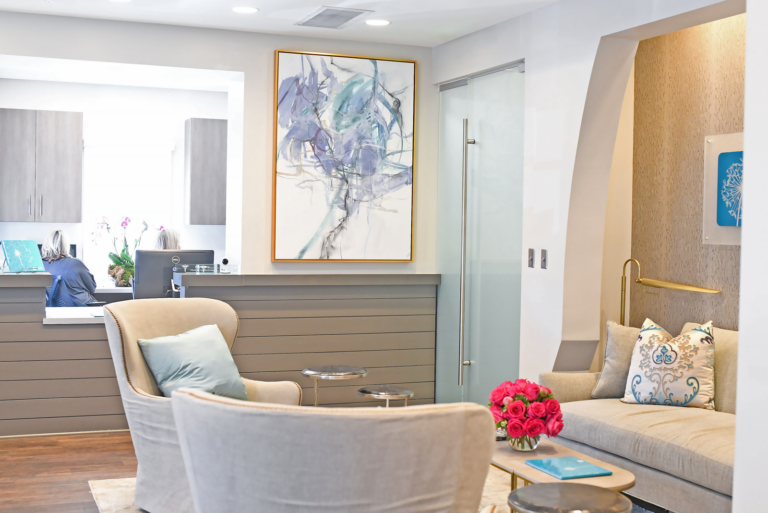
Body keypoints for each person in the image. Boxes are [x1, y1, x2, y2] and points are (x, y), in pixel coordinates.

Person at [41, 230, 97, 307]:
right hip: (84, 310)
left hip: (56, 313)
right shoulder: (76, 263)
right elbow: (92, 288)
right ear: (65, 245)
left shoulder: (40, 266)